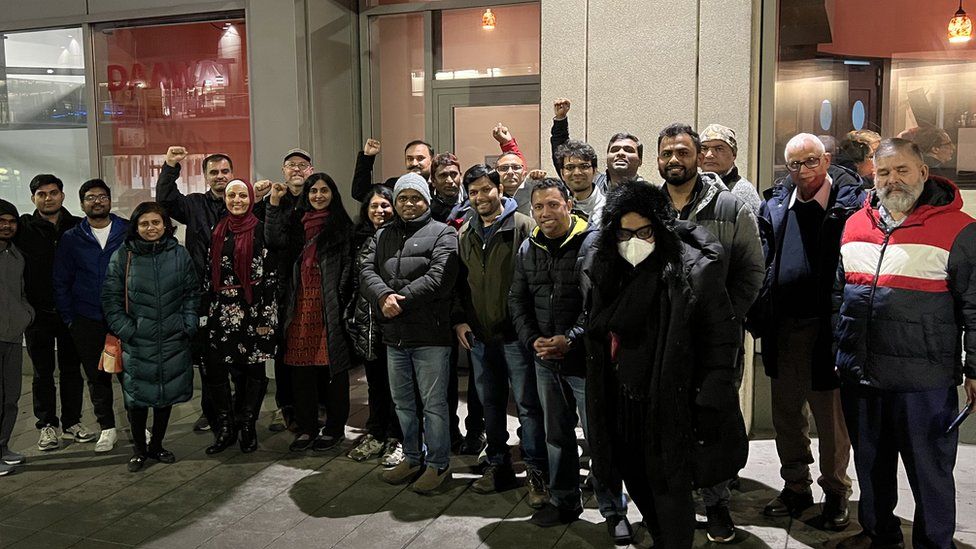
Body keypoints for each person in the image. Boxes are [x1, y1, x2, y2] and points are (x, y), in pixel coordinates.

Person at [582, 181, 741, 549]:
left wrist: (708, 400)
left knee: (670, 490)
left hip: (671, 402)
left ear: (660, 229)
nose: (633, 240)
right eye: (624, 232)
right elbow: (596, 327)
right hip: (621, 402)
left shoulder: (692, 271)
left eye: (643, 231)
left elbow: (721, 339)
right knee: (635, 479)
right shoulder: (606, 267)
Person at [836, 138, 976, 549]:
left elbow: (974, 307)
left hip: (924, 380)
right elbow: (837, 294)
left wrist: (974, 369)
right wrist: (838, 351)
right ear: (872, 175)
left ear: (923, 173)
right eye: (883, 172)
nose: (892, 180)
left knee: (929, 474)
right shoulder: (854, 224)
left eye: (902, 170)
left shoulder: (960, 231)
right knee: (871, 468)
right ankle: (880, 536)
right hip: (861, 375)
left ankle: (935, 545)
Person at [751, 133, 864, 529]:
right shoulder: (775, 205)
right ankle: (795, 486)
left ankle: (835, 493)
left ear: (828, 160)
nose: (802, 172)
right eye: (794, 165)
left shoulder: (852, 206)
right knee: (786, 414)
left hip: (828, 330)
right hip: (782, 327)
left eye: (810, 162)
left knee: (831, 419)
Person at [508, 178, 631, 543]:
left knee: (599, 437)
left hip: (587, 360)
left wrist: (570, 340)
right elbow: (517, 300)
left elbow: (601, 302)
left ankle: (614, 511)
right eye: (539, 207)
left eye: (552, 205)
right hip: (545, 359)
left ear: (568, 205)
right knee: (556, 435)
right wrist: (534, 341)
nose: (546, 213)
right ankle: (564, 501)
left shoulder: (592, 244)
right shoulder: (528, 249)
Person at [658, 124, 761, 540]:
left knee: (713, 418)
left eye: (683, 152)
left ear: (698, 156)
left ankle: (717, 504)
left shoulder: (731, 206)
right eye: (666, 153)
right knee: (665, 419)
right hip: (662, 339)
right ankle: (674, 503)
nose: (673, 160)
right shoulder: (649, 207)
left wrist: (726, 317)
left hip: (715, 342)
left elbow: (752, 270)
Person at [451, 164, 548, 506]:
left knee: (527, 405)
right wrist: (461, 321)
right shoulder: (465, 232)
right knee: (490, 404)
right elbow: (461, 285)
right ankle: (498, 464)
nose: (479, 197)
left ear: (499, 189)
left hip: (516, 337)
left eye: (484, 189)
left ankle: (537, 470)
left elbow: (537, 282)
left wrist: (529, 329)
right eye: (473, 192)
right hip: (479, 336)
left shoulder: (523, 226)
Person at [156, 146, 271, 433]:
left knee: (244, 362)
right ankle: (214, 414)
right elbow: (166, 200)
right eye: (214, 173)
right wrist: (171, 165)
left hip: (243, 301)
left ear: (233, 173)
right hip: (205, 296)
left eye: (225, 171)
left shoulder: (247, 205)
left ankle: (243, 418)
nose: (220, 177)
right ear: (206, 177)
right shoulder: (194, 205)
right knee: (211, 360)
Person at [360, 173, 459, 495]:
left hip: (430, 336)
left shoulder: (444, 233)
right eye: (402, 198)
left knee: (434, 405)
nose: (409, 204)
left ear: (427, 200)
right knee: (403, 403)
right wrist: (381, 297)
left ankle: (439, 464)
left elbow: (440, 277)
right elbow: (365, 270)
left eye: (415, 197)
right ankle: (413, 458)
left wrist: (397, 301)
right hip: (395, 336)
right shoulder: (383, 235)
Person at [101, 202, 200, 472]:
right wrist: (127, 329)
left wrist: (187, 323)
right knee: (136, 398)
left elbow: (192, 293)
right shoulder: (123, 255)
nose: (150, 228)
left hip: (172, 337)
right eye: (144, 224)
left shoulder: (179, 254)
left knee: (165, 396)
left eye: (156, 223)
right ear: (136, 227)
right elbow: (110, 298)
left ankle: (157, 445)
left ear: (166, 225)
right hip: (137, 340)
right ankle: (140, 450)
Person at [266, 173, 355, 453]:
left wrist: (341, 303)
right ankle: (306, 427)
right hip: (299, 308)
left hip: (329, 308)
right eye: (313, 190)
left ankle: (334, 428)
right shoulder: (294, 224)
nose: (318, 195)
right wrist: (272, 204)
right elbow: (272, 239)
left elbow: (350, 270)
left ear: (333, 194)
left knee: (333, 372)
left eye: (324, 190)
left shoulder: (342, 227)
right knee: (301, 371)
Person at [201, 179, 279, 455]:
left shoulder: (260, 229)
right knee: (217, 369)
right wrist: (206, 311)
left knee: (252, 370)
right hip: (221, 311)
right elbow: (210, 273)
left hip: (253, 309)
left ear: (251, 197)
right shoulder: (218, 229)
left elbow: (270, 277)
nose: (237, 200)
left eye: (242, 195)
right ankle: (225, 426)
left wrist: (265, 319)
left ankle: (247, 424)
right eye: (232, 195)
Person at [53, 179, 129, 453]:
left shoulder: (127, 232)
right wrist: (71, 319)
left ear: (110, 200)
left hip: (124, 317)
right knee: (97, 378)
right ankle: (107, 428)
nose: (97, 201)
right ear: (82, 203)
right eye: (90, 197)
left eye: (102, 196)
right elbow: (61, 281)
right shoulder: (72, 238)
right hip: (86, 319)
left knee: (130, 375)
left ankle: (137, 422)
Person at [15, 174, 84, 451]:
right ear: (33, 198)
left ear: (62, 195)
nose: (48, 198)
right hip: (38, 315)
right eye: (41, 194)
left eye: (53, 192)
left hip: (70, 312)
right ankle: (47, 426)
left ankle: (72, 422)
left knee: (71, 371)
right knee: (42, 374)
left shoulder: (77, 227)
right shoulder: (23, 228)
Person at [346, 185, 405, 466]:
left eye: (385, 205)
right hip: (367, 323)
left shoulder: (402, 237)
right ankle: (376, 433)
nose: (380, 211)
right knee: (376, 384)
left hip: (395, 322)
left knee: (399, 386)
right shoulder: (358, 237)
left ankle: (398, 438)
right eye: (374, 206)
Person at [267, 148, 315, 433]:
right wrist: (272, 202)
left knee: (311, 347)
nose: (297, 169)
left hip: (312, 287)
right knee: (284, 350)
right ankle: (286, 406)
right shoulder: (274, 200)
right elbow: (273, 240)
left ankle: (314, 404)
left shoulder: (318, 198)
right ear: (283, 170)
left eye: (303, 165)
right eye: (291, 165)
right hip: (282, 288)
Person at [0, 200, 34, 475]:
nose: (7, 225)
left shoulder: (16, 255)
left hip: (12, 336)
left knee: (10, 396)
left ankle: (3, 446)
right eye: (1, 220)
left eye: (11, 221)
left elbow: (20, 293)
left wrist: (27, 314)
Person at [550, 98, 643, 191]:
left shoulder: (650, 195)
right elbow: (563, 154)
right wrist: (560, 120)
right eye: (614, 150)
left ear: (640, 161)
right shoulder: (590, 184)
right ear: (607, 158)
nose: (620, 153)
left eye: (628, 150)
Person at [699, 123, 762, 214]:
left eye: (719, 149)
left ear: (734, 155)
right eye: (704, 149)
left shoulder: (743, 192)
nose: (709, 155)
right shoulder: (693, 188)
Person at [350, 139, 434, 202]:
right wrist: (367, 157)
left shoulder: (439, 187)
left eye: (420, 158)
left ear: (432, 160)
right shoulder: (394, 185)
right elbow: (360, 192)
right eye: (409, 159)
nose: (414, 163)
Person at [553, 139, 606, 226]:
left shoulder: (608, 211)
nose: (577, 173)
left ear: (594, 171)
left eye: (584, 166)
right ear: (562, 173)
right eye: (570, 167)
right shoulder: (554, 207)